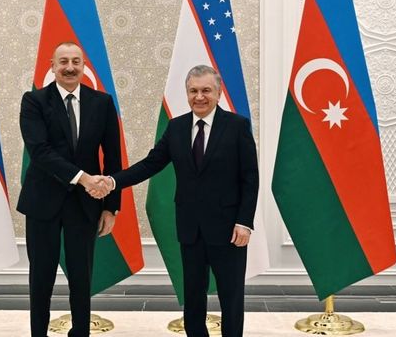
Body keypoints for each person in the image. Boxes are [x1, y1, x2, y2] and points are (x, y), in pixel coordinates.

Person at [98, 65, 258, 337]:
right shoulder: (176, 127)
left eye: (206, 90)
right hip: (190, 228)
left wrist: (244, 222)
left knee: (231, 298)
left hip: (229, 229)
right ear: (187, 93)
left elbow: (250, 178)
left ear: (218, 93)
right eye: (193, 91)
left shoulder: (237, 126)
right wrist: (113, 182)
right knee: (192, 297)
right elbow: (150, 165)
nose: (199, 97)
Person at [18, 41, 120, 337]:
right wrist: (84, 178)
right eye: (63, 61)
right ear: (52, 66)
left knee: (81, 278)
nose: (70, 67)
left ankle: (81, 332)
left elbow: (113, 158)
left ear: (84, 66)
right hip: (43, 202)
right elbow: (40, 151)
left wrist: (111, 207)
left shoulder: (102, 103)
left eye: (76, 61)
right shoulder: (34, 101)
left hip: (85, 205)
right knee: (41, 278)